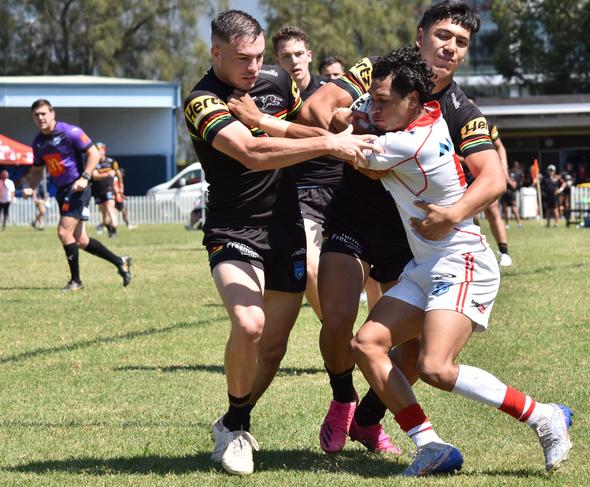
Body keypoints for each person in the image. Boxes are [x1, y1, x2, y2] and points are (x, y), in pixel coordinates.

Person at [349, 46, 573, 477]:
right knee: (367, 344)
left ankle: (545, 415)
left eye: (381, 102)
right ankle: (430, 445)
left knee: (434, 366)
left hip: (463, 261)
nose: (373, 107)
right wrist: (359, 114)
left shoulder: (410, 142)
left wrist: (265, 125)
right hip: (427, 264)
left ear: (411, 101)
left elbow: (353, 154)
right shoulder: (418, 112)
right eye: (372, 98)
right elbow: (364, 141)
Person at [298, 0, 506, 455]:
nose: (450, 48)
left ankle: (370, 420)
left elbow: (492, 176)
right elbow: (318, 107)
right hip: (352, 215)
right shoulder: (380, 71)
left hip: (412, 236)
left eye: (461, 43)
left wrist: (453, 213)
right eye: (442, 36)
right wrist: (343, 122)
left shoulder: (461, 108)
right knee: (337, 317)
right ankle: (341, 400)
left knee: (409, 346)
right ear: (420, 35)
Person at [184, 10, 376, 476]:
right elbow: (252, 153)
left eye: (258, 56)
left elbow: (290, 131)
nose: (254, 67)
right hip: (234, 229)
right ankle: (236, 430)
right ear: (216, 53)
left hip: (286, 228)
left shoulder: (274, 80)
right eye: (242, 59)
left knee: (273, 347)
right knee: (249, 326)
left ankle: (233, 422)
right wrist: (330, 145)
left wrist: (339, 136)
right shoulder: (202, 101)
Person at [272, 25, 342, 321]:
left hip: (343, 190)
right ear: (276, 60)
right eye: (286, 56)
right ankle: (337, 335)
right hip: (300, 195)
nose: (294, 61)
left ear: (310, 56)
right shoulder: (268, 96)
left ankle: (380, 344)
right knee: (311, 268)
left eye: (299, 54)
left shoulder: (330, 92)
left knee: (375, 274)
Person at [25, 99, 132, 291]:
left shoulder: (70, 132)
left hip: (77, 188)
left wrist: (85, 177)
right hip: (61, 190)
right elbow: (38, 170)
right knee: (81, 240)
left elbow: (94, 153)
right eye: (36, 115)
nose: (40, 118)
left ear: (52, 113)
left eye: (43, 113)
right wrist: (31, 187)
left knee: (64, 232)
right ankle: (120, 262)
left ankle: (76, 281)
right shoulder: (38, 142)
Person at [467, 98, 513, 266]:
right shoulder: (449, 125)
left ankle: (504, 252)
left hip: (482, 174)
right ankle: (479, 250)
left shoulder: (485, 125)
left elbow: (500, 146)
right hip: (461, 176)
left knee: (493, 212)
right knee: (467, 216)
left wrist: (503, 167)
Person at [91, 142, 120, 238]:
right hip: (98, 190)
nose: (99, 152)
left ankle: (114, 233)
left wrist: (119, 189)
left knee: (110, 209)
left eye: (101, 150)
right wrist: (107, 174)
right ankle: (110, 231)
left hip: (109, 189)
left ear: (104, 151)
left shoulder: (111, 162)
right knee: (104, 216)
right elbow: (95, 176)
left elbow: (117, 174)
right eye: (97, 150)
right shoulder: (93, 162)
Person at [502, 161, 523, 228]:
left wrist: (509, 181)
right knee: (506, 210)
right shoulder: (508, 172)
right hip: (505, 193)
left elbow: (514, 185)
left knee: (514, 209)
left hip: (511, 194)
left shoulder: (517, 174)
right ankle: (507, 224)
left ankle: (519, 223)